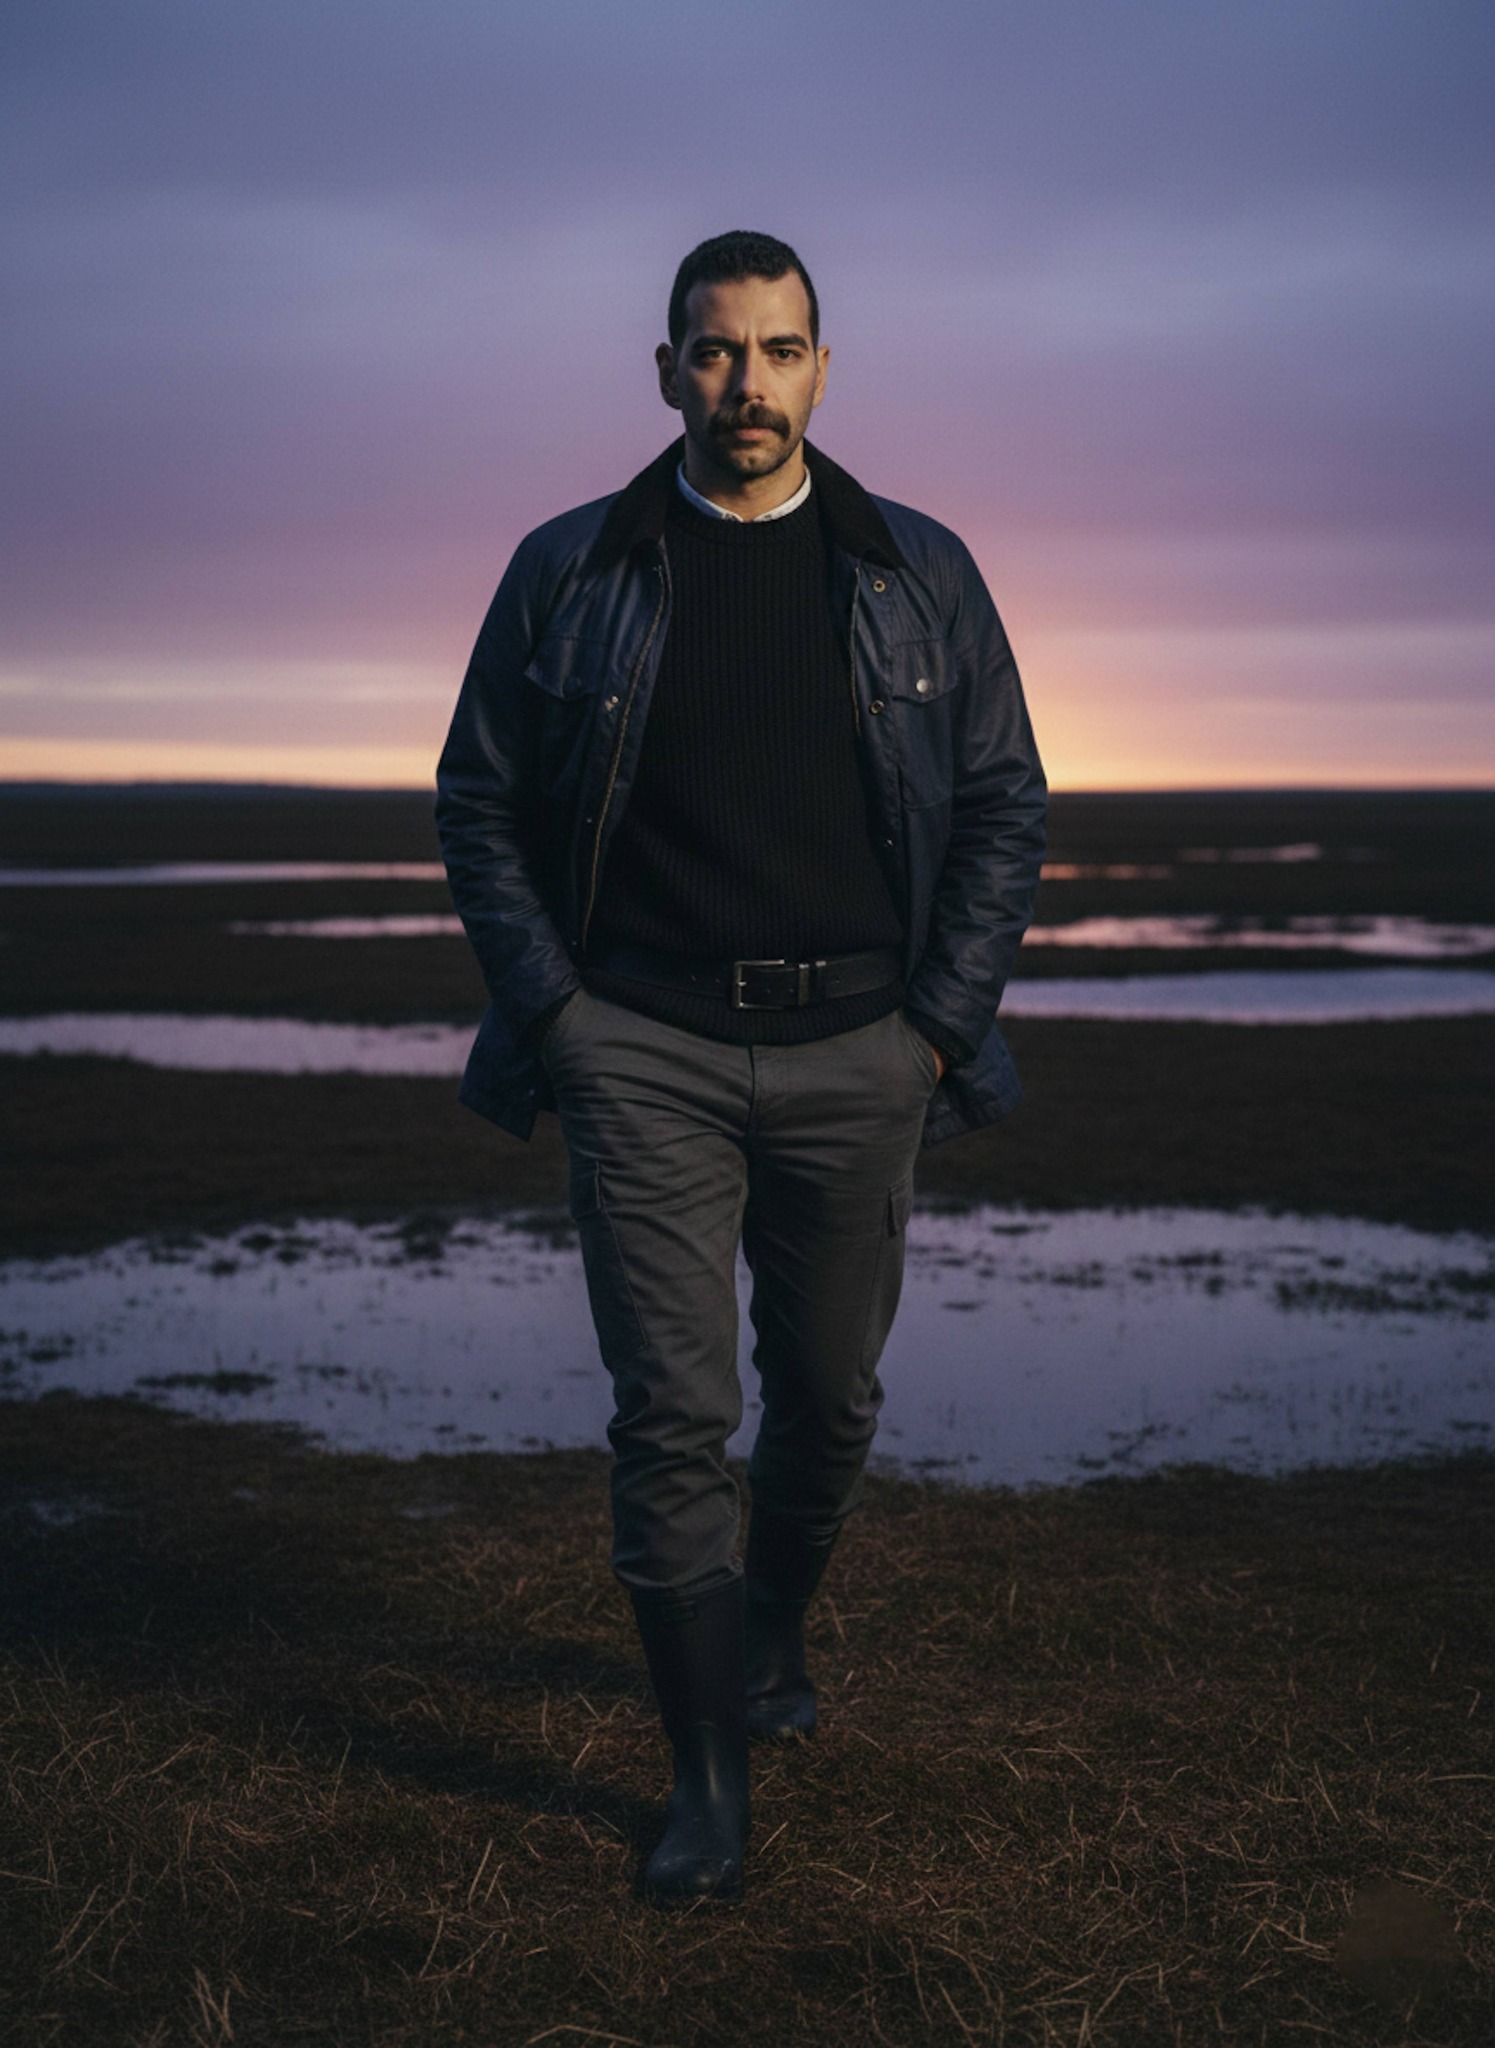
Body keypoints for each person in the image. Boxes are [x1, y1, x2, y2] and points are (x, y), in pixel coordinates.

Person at [436, 230, 1046, 1903]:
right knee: (672, 1418)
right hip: (642, 1046)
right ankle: (706, 1783)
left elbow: (1003, 801)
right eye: (715, 352)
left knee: (832, 1402)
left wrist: (935, 1028)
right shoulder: (572, 568)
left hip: (866, 1044)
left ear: (823, 372)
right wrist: (559, 1018)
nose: (747, 385)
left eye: (779, 352)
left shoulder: (919, 569)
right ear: (667, 373)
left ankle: (767, 1629)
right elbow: (475, 801)